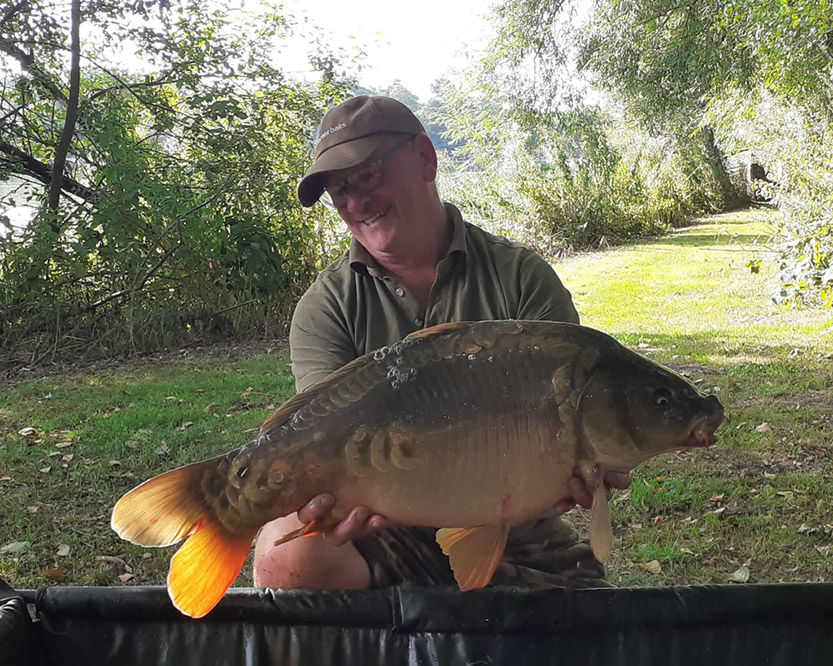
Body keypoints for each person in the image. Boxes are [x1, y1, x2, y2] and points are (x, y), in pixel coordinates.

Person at [253, 95, 630, 590]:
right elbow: (324, 441)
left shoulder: (520, 277)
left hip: (519, 532)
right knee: (283, 548)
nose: (356, 202)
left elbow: (575, 430)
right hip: (386, 532)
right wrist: (326, 494)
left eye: (368, 175)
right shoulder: (326, 308)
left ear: (425, 158)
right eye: (339, 190)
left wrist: (588, 466)